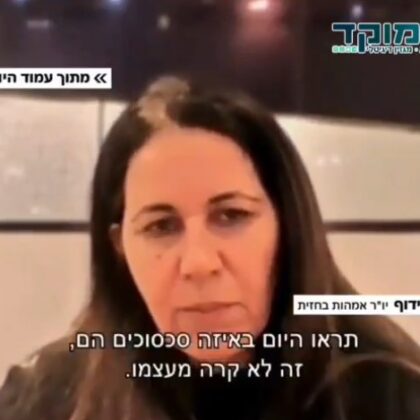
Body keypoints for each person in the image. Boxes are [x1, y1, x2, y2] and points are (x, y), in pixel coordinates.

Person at [1, 76, 420, 420]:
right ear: (119, 247)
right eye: (161, 226)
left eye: (232, 216)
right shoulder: (47, 399)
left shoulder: (388, 393)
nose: (199, 263)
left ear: (288, 226)